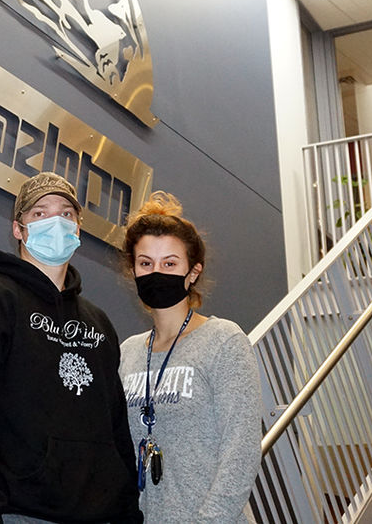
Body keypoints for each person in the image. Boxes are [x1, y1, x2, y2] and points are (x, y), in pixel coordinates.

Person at [0, 172, 143, 524]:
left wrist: (127, 512)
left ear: (78, 229)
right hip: (17, 515)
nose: (55, 222)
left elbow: (116, 430)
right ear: (18, 229)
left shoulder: (99, 325)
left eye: (66, 214)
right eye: (40, 213)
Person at [118, 191, 262, 523]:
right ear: (134, 271)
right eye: (145, 263)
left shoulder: (223, 340)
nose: (157, 272)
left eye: (170, 263)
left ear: (193, 272)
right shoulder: (127, 353)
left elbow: (240, 452)